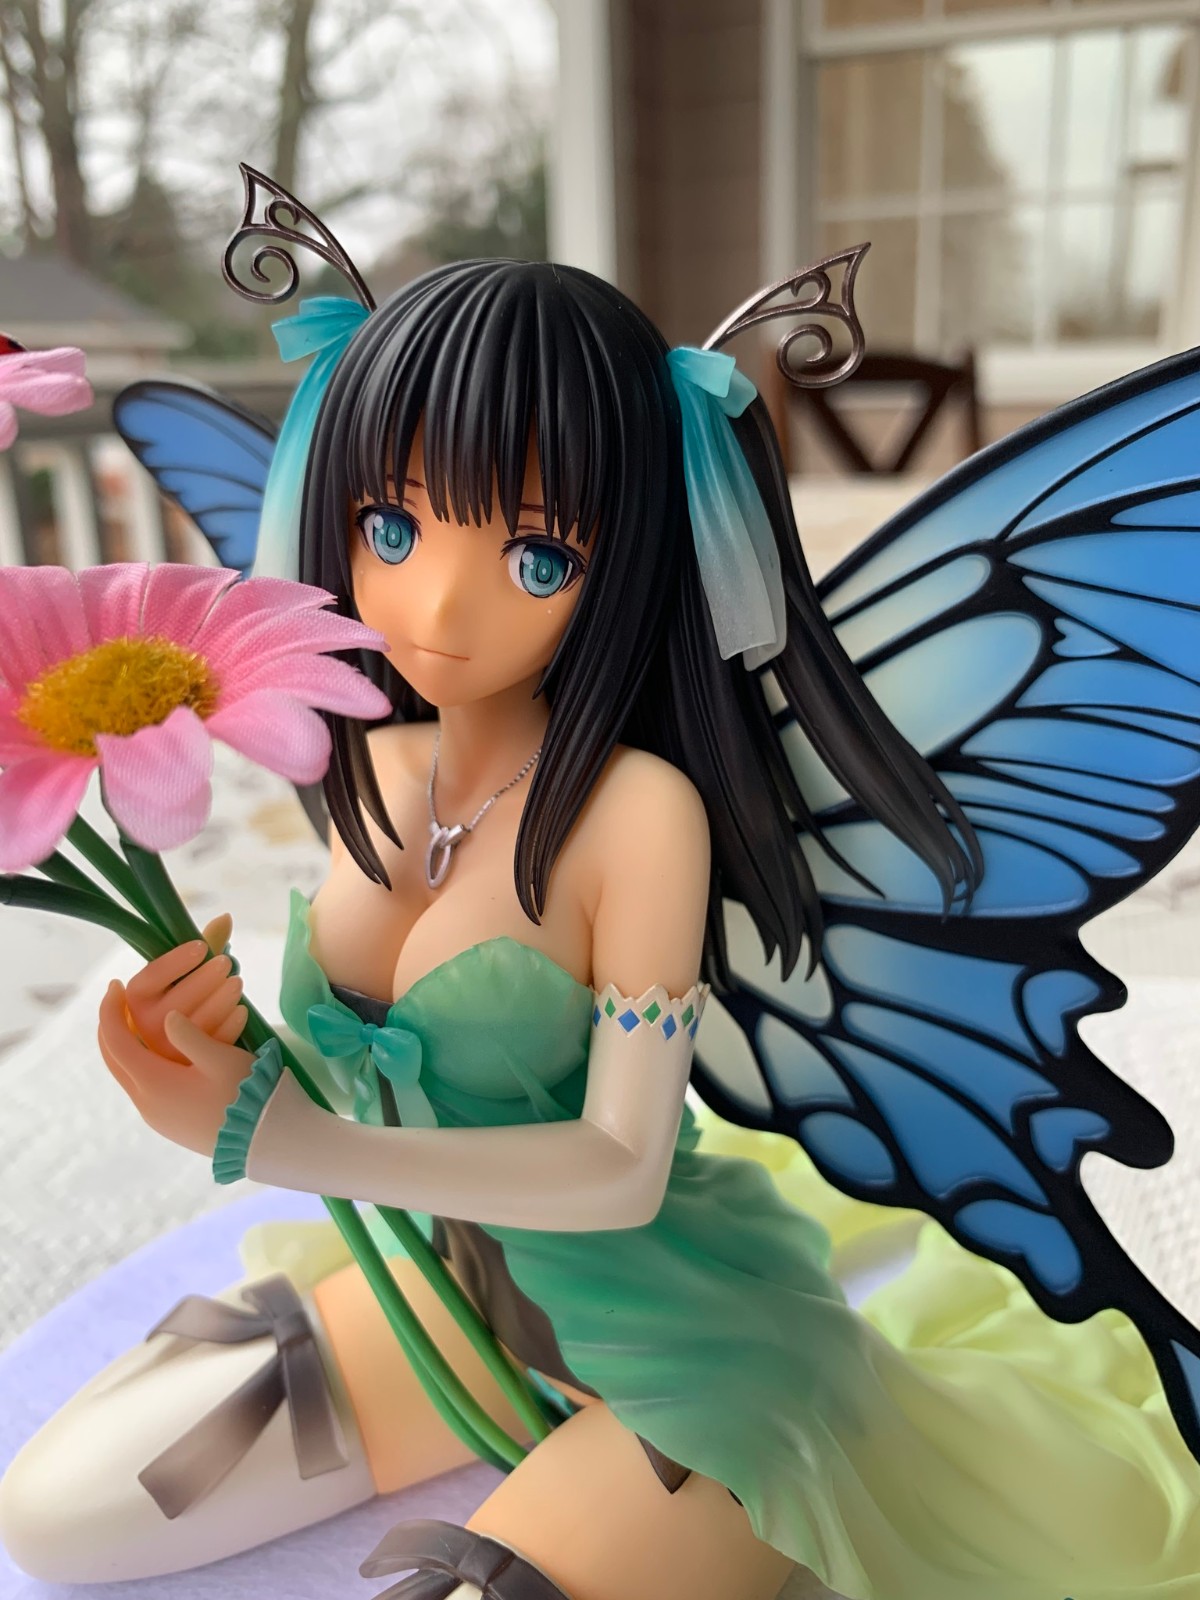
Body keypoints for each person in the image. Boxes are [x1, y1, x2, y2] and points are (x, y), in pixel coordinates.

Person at [2, 259, 1198, 1600]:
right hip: (454, 1295)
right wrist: (229, 1061)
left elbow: (623, 1167)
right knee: (59, 1509)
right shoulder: (368, 770)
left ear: (626, 565)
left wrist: (279, 1137)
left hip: (684, 1342)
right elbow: (370, 1089)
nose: (439, 608)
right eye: (391, 525)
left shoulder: (640, 818)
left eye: (535, 557)